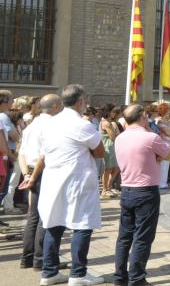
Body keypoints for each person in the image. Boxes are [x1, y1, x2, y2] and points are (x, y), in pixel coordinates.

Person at [21, 84, 105, 285]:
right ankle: (78, 274)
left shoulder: (49, 123)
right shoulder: (82, 124)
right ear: (80, 102)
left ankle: (49, 273)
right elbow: (100, 151)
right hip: (76, 180)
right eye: (85, 101)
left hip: (53, 179)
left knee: (53, 224)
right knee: (82, 225)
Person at [112, 104, 170, 286]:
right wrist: (165, 139)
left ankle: (120, 277)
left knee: (124, 236)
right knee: (143, 237)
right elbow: (168, 153)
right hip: (145, 190)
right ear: (143, 116)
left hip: (127, 189)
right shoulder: (150, 137)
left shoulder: (120, 138)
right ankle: (137, 278)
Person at [18, 94, 60, 270]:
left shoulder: (32, 126)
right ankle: (39, 259)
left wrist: (27, 174)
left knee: (33, 216)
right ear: (56, 106)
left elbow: (22, 153)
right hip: (43, 172)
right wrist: (33, 176)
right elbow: (43, 156)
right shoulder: (52, 125)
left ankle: (27, 258)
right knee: (45, 216)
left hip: (31, 170)